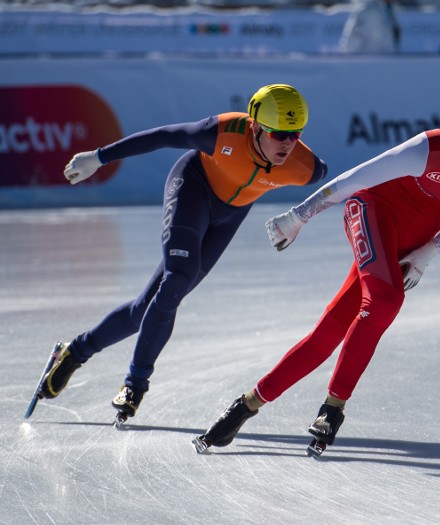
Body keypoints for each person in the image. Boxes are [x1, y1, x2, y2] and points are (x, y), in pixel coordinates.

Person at [194, 100, 440, 456]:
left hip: (412, 238)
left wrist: (429, 253)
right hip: (372, 211)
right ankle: (333, 409)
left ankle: (246, 405)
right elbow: (353, 179)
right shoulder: (433, 149)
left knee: (329, 333)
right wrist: (299, 215)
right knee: (385, 302)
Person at [36, 84, 327, 425]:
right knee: (177, 280)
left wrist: (299, 218)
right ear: (256, 127)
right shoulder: (222, 132)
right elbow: (161, 136)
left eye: (296, 134)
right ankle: (135, 383)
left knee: (147, 309)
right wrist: (98, 158)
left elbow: (342, 186)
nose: (288, 144)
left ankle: (75, 352)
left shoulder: (306, 167)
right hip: (194, 187)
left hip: (229, 217)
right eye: (280, 134)